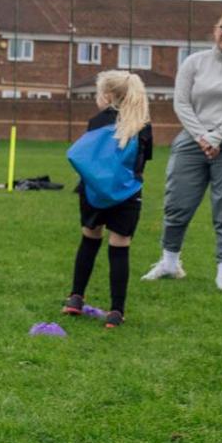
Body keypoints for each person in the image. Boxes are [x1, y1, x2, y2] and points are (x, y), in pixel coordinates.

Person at [142, 11, 222, 291]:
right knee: (177, 203)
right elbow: (182, 103)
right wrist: (202, 137)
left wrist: (218, 136)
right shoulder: (194, 62)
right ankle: (169, 263)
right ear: (215, 29)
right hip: (193, 140)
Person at [62, 70, 154, 328]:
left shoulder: (97, 122)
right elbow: (142, 163)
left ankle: (75, 298)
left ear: (108, 96)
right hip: (127, 195)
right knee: (120, 246)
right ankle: (116, 311)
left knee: (90, 239)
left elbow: (87, 157)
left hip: (92, 191)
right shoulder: (142, 125)